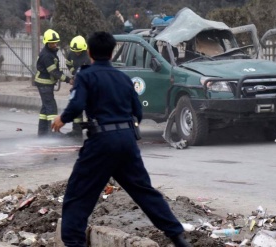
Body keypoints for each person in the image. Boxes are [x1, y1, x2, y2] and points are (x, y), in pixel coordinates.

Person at [51, 31, 191, 247]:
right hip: (127, 142)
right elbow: (138, 112)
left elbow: (77, 105)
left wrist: (62, 118)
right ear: (112, 51)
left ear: (89, 52)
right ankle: (177, 236)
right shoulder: (123, 78)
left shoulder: (86, 76)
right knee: (144, 191)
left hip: (101, 142)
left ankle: (73, 242)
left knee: (77, 194)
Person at [35, 29, 72, 137]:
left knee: (45, 108)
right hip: (44, 83)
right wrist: (68, 80)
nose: (55, 44)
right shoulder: (47, 55)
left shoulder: (49, 52)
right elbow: (54, 72)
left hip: (45, 83)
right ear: (47, 42)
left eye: (56, 42)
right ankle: (54, 133)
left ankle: (42, 132)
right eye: (52, 43)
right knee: (51, 107)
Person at [65, 35, 91, 137]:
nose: (77, 53)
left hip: (87, 84)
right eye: (75, 51)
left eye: (79, 51)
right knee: (76, 107)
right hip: (78, 82)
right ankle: (76, 130)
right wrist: (74, 72)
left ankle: (92, 130)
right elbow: (68, 63)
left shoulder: (87, 56)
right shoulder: (71, 53)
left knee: (89, 108)